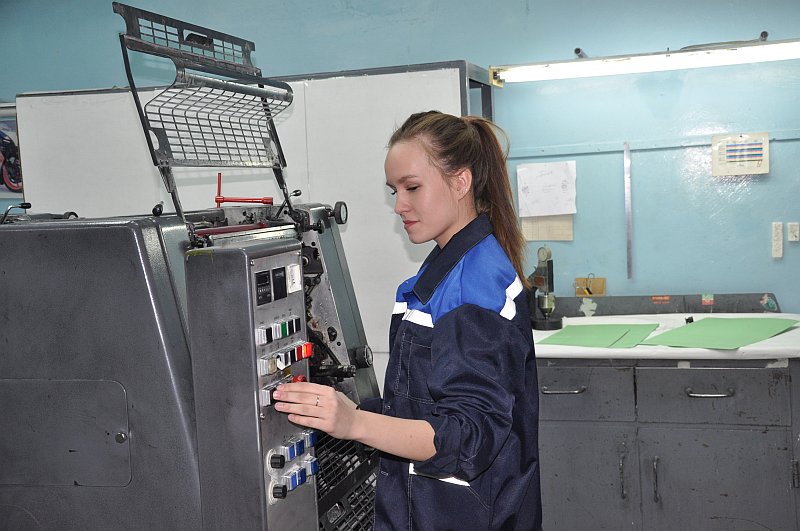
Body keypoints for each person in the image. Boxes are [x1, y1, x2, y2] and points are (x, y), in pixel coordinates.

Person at [273, 110, 542, 530]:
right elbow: (423, 405)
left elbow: (468, 439)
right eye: (394, 190)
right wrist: (343, 410)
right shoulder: (446, 273)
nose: (399, 205)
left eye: (412, 187)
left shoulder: (473, 290)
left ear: (461, 182)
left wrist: (356, 423)